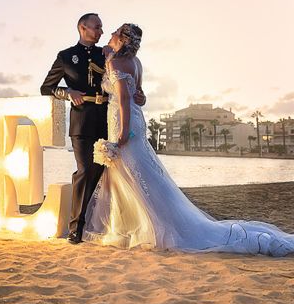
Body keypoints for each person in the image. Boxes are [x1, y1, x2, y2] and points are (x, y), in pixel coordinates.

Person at [83, 23, 294, 256]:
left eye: (115, 32)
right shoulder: (135, 63)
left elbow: (124, 98)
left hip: (123, 121)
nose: (110, 34)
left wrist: (122, 135)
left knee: (131, 172)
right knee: (137, 172)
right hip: (135, 118)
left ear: (122, 40)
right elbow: (140, 98)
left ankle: (143, 228)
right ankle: (130, 225)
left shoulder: (115, 63)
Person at [40, 13, 145, 244]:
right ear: (82, 28)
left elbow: (126, 82)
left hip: (107, 119)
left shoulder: (108, 53)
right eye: (96, 27)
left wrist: (139, 94)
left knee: (102, 173)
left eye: (102, 28)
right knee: (85, 170)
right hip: (81, 121)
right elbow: (46, 87)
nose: (100, 32)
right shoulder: (66, 56)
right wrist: (67, 93)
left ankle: (97, 224)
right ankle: (76, 227)